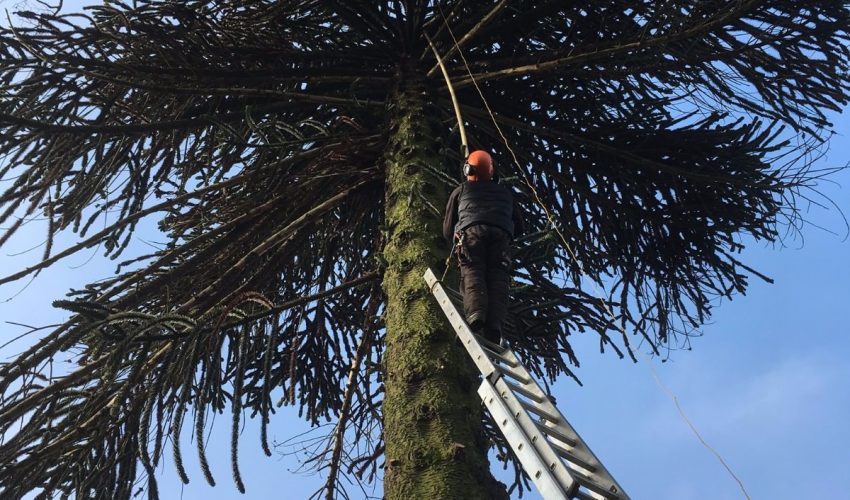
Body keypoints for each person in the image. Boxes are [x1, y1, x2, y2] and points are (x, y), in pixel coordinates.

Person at [442, 150, 524, 344]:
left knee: (473, 272)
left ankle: (476, 314)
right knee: (498, 279)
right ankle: (494, 325)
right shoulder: (505, 193)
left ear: (467, 169)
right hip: (501, 238)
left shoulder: (461, 190)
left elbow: (447, 228)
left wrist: (453, 237)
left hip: (471, 234)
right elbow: (520, 226)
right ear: (492, 171)